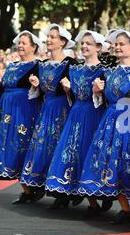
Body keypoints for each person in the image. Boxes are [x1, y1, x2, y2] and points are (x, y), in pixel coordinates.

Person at [79, 29, 130, 222]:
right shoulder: (108, 69)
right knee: (109, 159)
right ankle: (123, 208)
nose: (118, 47)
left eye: (122, 44)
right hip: (110, 118)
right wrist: (96, 91)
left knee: (129, 161)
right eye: (116, 44)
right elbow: (99, 97)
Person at [43, 30, 112, 213]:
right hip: (76, 113)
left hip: (94, 115)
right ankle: (66, 194)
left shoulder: (103, 71)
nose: (85, 46)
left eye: (89, 43)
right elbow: (74, 96)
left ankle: (95, 200)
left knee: (89, 153)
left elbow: (108, 98)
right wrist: (68, 90)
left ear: (98, 47)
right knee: (70, 152)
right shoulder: (75, 69)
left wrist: (99, 92)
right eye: (83, 43)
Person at [0, 31, 43, 204]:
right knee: (10, 149)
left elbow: (44, 92)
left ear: (33, 46)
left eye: (24, 43)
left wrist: (38, 86)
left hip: (25, 113)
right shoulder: (12, 66)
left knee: (24, 148)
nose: (20, 46)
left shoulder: (39, 66)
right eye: (19, 43)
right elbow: (1, 92)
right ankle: (27, 191)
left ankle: (33, 186)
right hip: (6, 113)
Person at [19, 24, 78, 208]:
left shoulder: (71, 64)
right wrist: (35, 85)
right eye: (48, 36)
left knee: (59, 148)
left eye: (53, 37)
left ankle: (63, 192)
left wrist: (69, 88)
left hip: (63, 110)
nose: (49, 40)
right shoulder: (42, 64)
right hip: (46, 109)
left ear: (62, 42)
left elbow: (77, 91)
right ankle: (38, 188)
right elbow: (38, 92)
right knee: (42, 146)